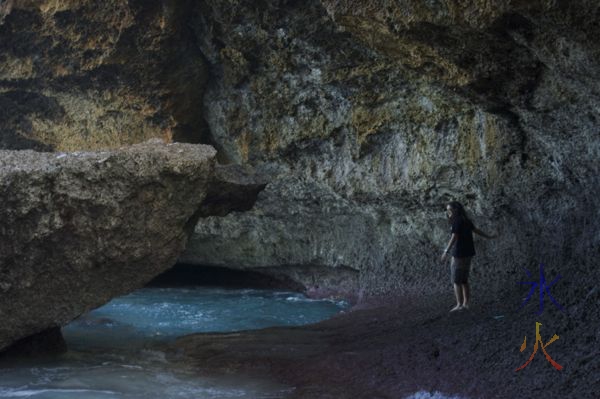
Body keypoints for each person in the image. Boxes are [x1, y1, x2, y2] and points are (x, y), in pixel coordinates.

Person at [440, 201, 496, 312]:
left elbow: (454, 237)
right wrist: (489, 236)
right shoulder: (466, 220)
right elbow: (476, 230)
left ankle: (459, 304)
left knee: (456, 281)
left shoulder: (456, 221)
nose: (448, 212)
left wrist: (446, 251)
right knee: (464, 280)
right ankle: (466, 303)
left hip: (459, 254)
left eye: (449, 210)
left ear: (455, 210)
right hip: (468, 253)